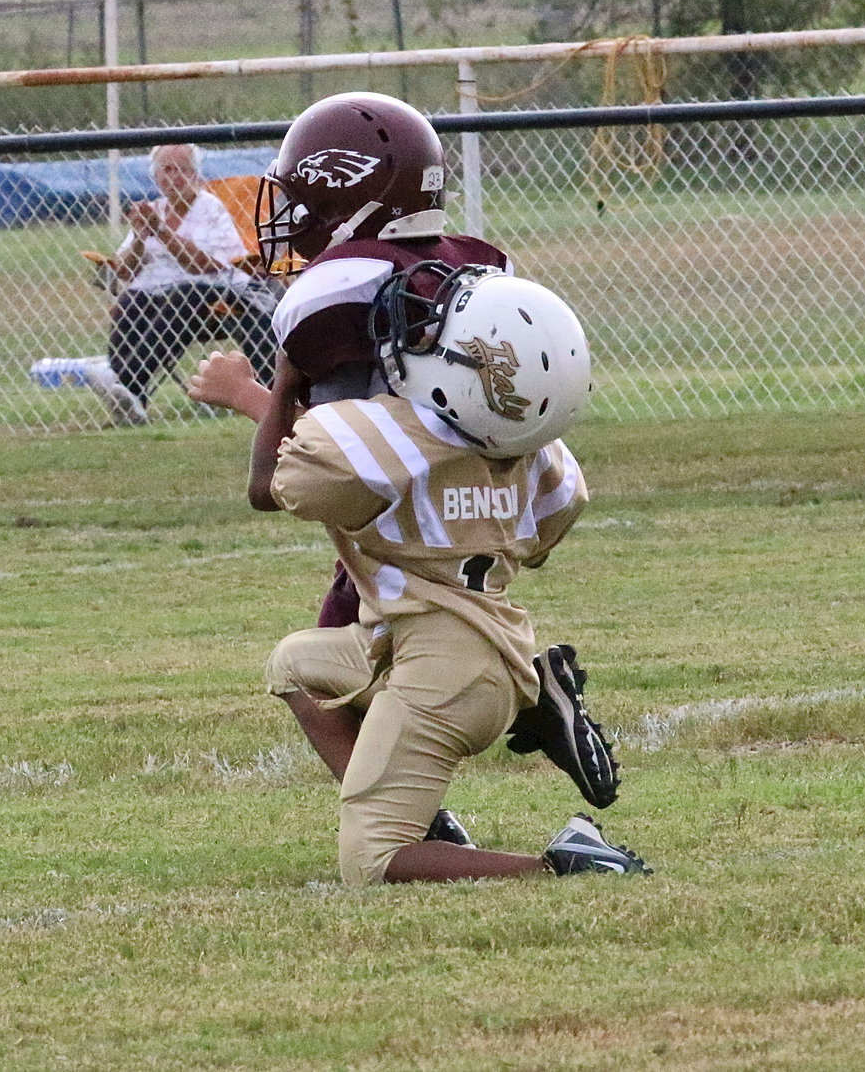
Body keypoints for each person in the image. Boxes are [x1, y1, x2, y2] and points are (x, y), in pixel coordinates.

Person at [189, 93, 621, 844]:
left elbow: (302, 463)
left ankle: (419, 826)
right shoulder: (474, 266)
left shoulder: (336, 291)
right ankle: (527, 702)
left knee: (346, 671)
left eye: (302, 195)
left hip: (398, 515)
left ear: (348, 191)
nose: (290, 214)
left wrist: (252, 392)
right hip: (490, 495)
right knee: (373, 652)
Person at [252, 261, 648, 883]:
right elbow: (543, 537)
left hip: (444, 673)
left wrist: (275, 383)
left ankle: (561, 864)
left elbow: (273, 482)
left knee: (371, 863)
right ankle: (437, 807)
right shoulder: (539, 450)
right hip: (484, 649)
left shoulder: (385, 441)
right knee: (295, 663)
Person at [87, 143, 278, 426]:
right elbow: (125, 272)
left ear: (196, 175)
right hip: (157, 297)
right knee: (130, 300)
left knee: (182, 295)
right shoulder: (153, 210)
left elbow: (204, 265)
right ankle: (131, 400)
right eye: (167, 169)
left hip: (216, 296)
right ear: (155, 176)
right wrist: (140, 237)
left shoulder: (210, 209)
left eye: (183, 170)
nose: (174, 176)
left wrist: (162, 232)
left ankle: (123, 381)